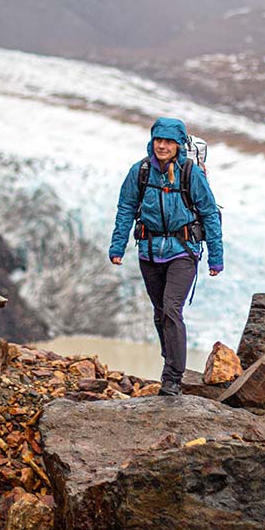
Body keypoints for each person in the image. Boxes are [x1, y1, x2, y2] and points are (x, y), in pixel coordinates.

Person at [109, 117, 224, 396]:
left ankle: (173, 378)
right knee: (160, 313)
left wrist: (215, 257)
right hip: (149, 252)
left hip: (183, 251)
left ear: (178, 145)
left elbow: (209, 212)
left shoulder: (190, 173)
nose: (162, 145)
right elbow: (126, 208)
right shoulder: (141, 171)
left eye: (168, 141)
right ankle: (170, 358)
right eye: (159, 140)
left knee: (172, 309)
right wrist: (117, 245)